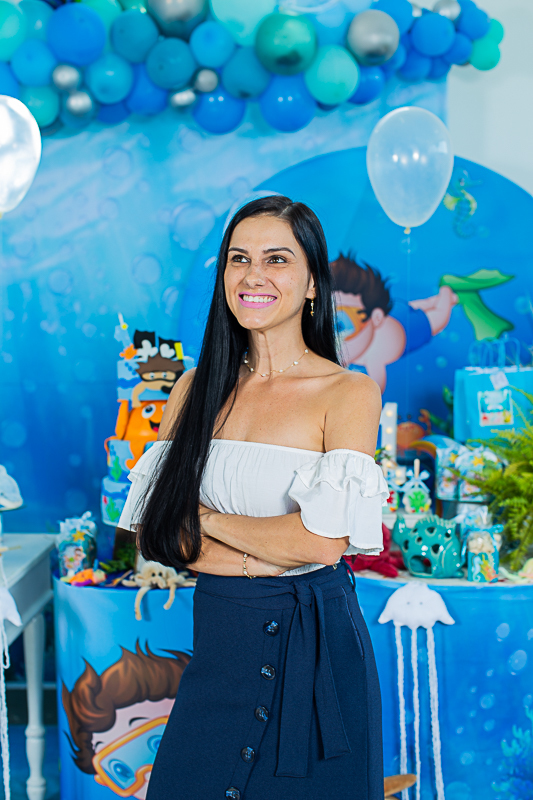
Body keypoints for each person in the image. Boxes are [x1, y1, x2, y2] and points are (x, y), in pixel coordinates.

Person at [117, 196, 388, 800]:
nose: (253, 275)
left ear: (312, 283)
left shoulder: (348, 392)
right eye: (239, 259)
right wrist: (264, 552)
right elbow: (159, 533)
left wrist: (205, 519)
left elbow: (321, 543)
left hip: (318, 655)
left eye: (276, 259)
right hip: (222, 647)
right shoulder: (194, 389)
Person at [331, 252, 457, 391]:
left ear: (376, 318)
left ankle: (446, 289)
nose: (335, 338)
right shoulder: (347, 346)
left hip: (412, 330)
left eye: (341, 325)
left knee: (440, 317)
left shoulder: (373, 356)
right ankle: (439, 299)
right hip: (396, 312)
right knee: (422, 304)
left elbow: (376, 392)